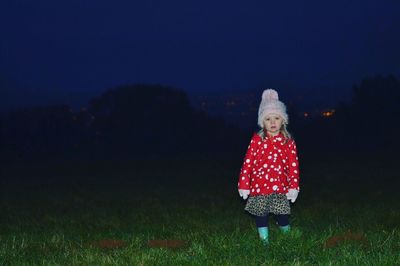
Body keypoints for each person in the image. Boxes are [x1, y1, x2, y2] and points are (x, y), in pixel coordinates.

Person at [237, 89, 300, 245]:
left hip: (280, 186)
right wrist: (244, 184)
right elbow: (248, 162)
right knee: (261, 214)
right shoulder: (257, 139)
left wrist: (294, 186)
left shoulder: (288, 141)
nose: (272, 123)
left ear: (283, 120)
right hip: (259, 186)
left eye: (276, 118)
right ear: (262, 121)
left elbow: (294, 166)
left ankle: (287, 238)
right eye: (268, 119)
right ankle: (264, 243)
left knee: (282, 214)